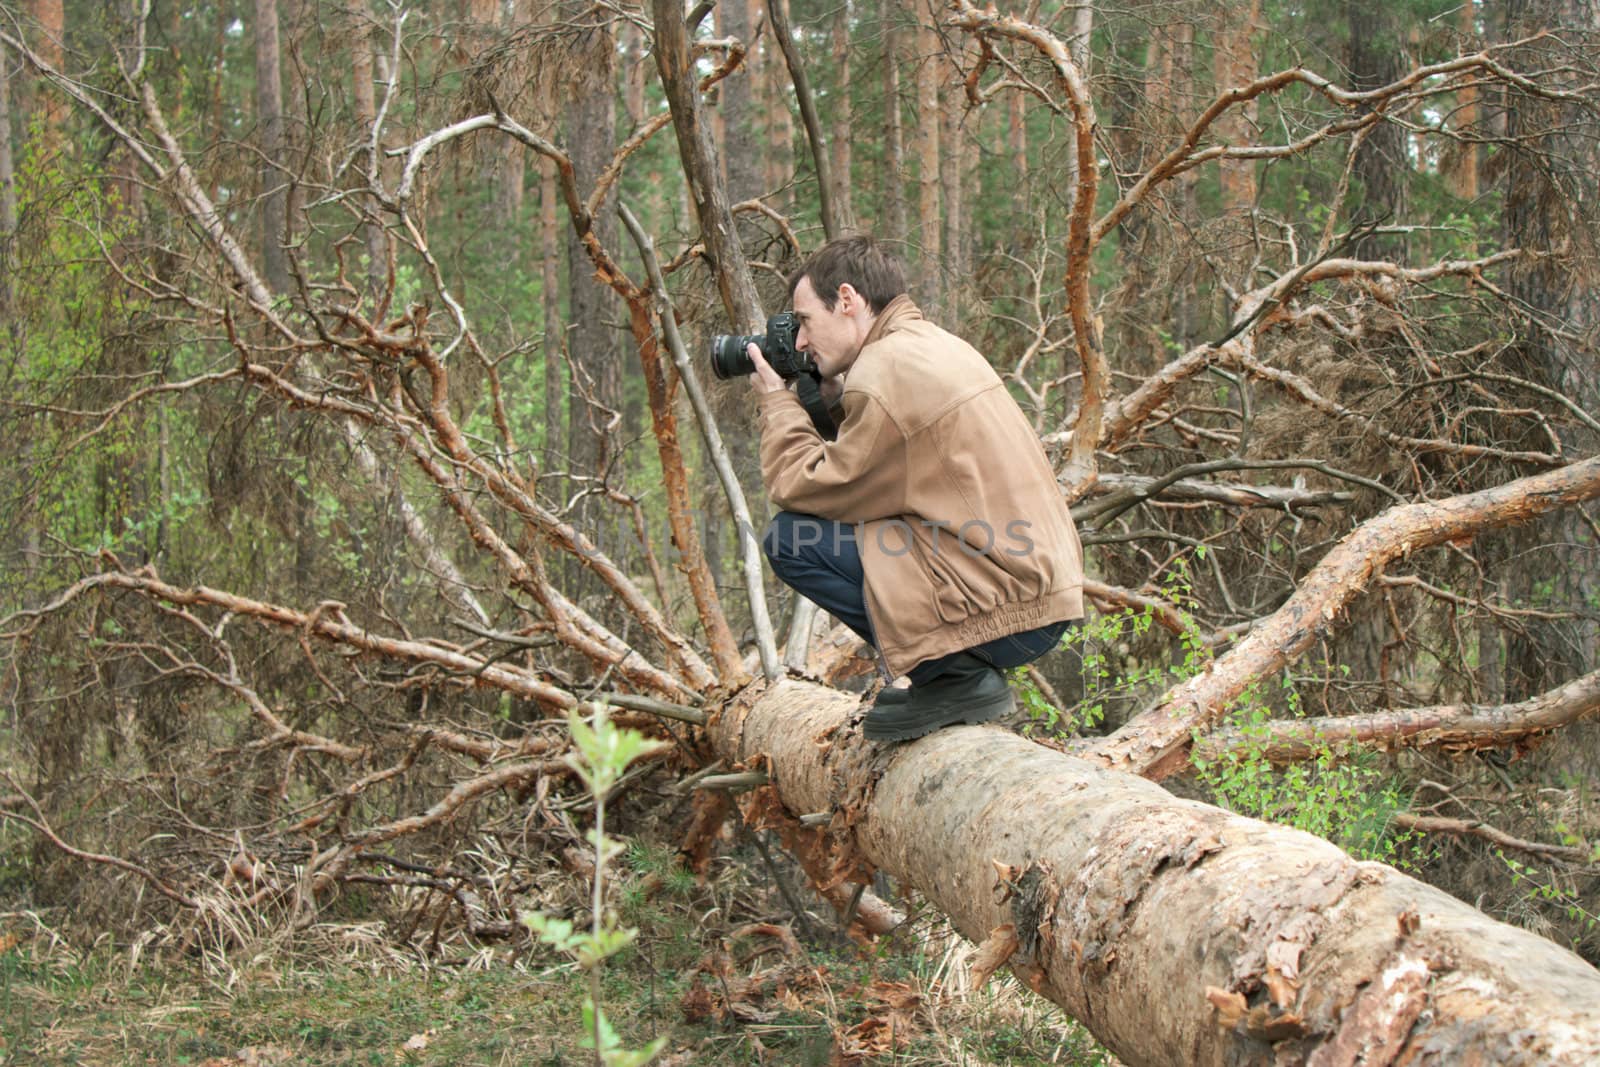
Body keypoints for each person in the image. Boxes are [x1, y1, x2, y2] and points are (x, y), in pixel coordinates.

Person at [748, 235, 1085, 741]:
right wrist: (831, 401)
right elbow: (896, 464)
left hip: (1009, 608)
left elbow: (804, 486)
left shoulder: (884, 369)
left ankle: (949, 675)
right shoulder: (931, 345)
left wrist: (778, 403)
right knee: (855, 527)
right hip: (1039, 590)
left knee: (791, 540)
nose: (798, 343)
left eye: (804, 322)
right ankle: (952, 672)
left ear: (847, 300)